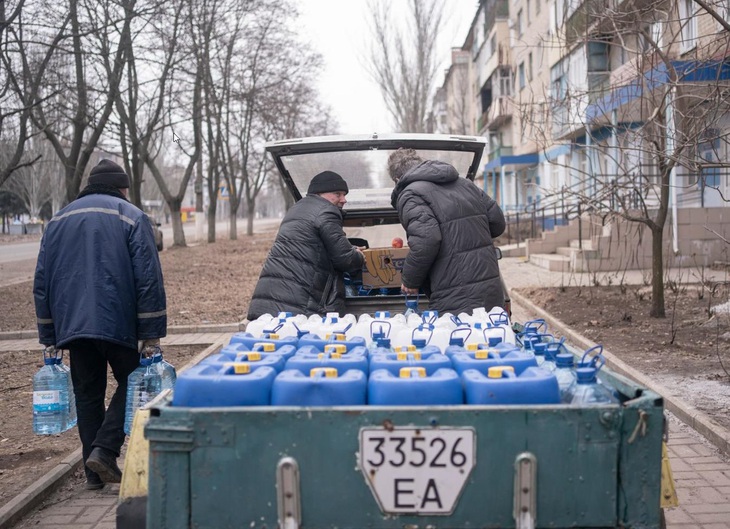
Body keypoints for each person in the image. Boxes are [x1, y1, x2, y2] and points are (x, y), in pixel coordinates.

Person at [33, 159, 166, 490]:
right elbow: (147, 278)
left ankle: (93, 475)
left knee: (87, 394)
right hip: (118, 321)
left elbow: (41, 282)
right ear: (122, 188)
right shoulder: (131, 216)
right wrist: (150, 332)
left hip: (72, 326)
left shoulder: (57, 221)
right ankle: (105, 451)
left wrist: (49, 334)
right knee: (134, 382)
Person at [388, 148, 506, 314]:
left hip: (454, 295)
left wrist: (410, 280)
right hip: (490, 291)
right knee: (491, 337)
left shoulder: (410, 194)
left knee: (457, 339)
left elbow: (427, 239)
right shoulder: (466, 185)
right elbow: (498, 223)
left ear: (398, 179)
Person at [247, 170, 364, 320]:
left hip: (270, 301)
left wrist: (349, 249)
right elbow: (345, 260)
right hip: (299, 305)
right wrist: (359, 256)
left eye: (344, 194)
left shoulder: (297, 209)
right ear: (321, 193)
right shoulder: (326, 211)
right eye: (338, 193)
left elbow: (315, 248)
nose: (344, 199)